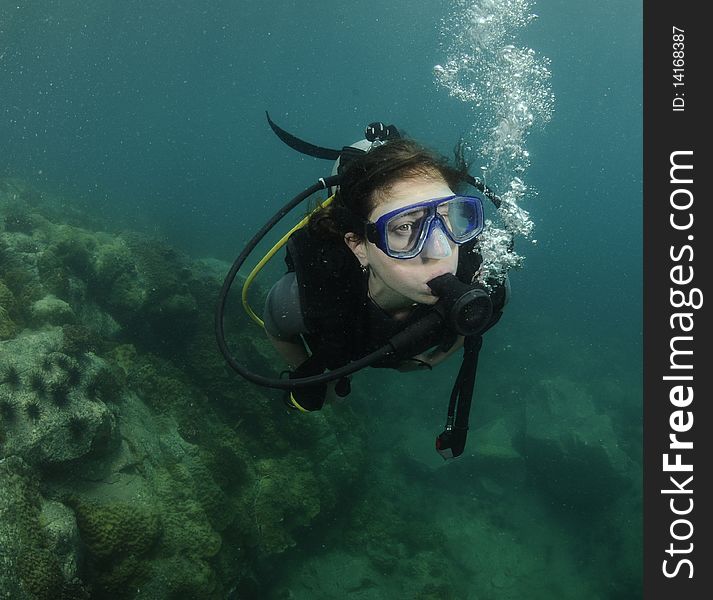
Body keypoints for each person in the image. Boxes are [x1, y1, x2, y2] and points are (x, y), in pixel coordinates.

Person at [262, 136, 508, 413]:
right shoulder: (305, 298)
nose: (440, 249)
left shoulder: (479, 277)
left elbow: (489, 311)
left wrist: (433, 359)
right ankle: (361, 152)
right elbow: (277, 327)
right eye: (404, 227)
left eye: (448, 216)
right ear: (358, 246)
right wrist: (310, 374)